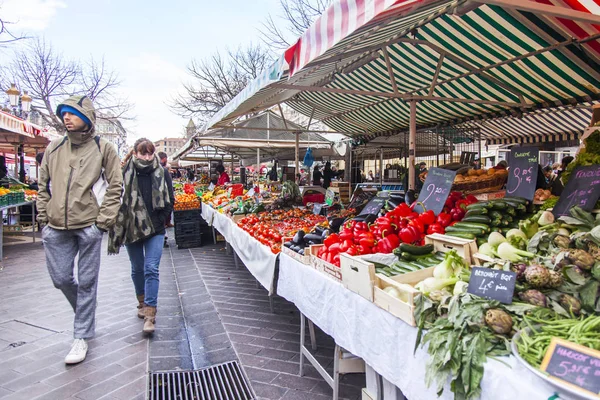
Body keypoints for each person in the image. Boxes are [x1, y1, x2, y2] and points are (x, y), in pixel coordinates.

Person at [37, 95, 123, 364]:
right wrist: (43, 219)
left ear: (87, 117)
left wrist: (102, 223)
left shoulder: (104, 148)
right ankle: (85, 311)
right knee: (61, 279)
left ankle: (81, 336)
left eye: (72, 113)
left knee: (87, 282)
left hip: (88, 225)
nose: (66, 117)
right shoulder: (53, 148)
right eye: (64, 113)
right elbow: (42, 186)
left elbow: (115, 186)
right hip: (55, 227)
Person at [108, 138, 174, 335]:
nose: (146, 157)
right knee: (137, 268)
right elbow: (115, 198)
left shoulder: (162, 173)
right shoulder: (124, 173)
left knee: (151, 268)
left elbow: (170, 199)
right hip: (132, 228)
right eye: (143, 153)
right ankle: (141, 302)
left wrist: (160, 219)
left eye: (150, 153)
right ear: (135, 153)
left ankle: (150, 313)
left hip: (155, 229)